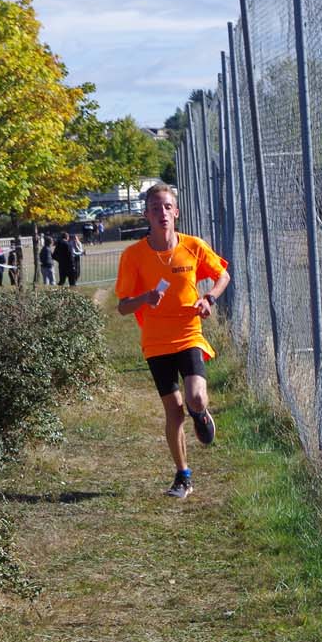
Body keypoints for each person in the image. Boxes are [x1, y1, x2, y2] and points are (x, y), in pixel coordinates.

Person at [114, 183, 230, 500]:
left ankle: (202, 415)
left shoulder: (192, 246)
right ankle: (183, 475)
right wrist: (145, 298)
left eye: (167, 207)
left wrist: (209, 298)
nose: (162, 213)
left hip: (189, 333)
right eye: (155, 208)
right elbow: (122, 306)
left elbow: (223, 275)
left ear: (176, 212)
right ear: (146, 215)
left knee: (195, 398)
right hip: (156, 342)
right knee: (173, 412)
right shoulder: (133, 255)